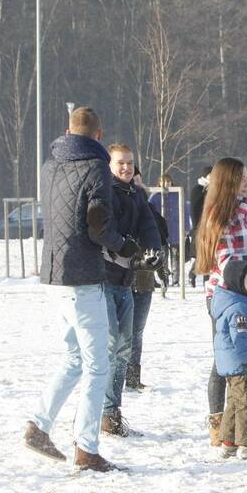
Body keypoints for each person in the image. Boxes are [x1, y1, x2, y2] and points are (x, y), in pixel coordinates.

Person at [25, 106, 134, 472]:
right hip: (84, 276)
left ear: (67, 130)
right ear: (99, 136)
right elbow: (97, 223)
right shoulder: (95, 167)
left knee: (73, 358)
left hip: (54, 274)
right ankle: (86, 448)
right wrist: (123, 245)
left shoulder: (48, 165)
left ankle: (39, 425)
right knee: (96, 364)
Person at [194, 157, 247, 447]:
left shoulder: (245, 210)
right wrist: (246, 278)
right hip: (227, 293)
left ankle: (232, 430)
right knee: (226, 361)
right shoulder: (220, 215)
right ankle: (221, 426)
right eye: (243, 177)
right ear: (230, 180)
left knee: (236, 359)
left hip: (246, 292)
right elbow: (224, 259)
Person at [100, 144, 162, 437]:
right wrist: (123, 245)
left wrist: (152, 248)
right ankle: (103, 412)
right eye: (120, 163)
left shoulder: (136, 194)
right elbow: (102, 229)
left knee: (124, 345)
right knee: (111, 346)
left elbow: (150, 224)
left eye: (130, 163)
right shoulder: (105, 191)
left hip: (126, 278)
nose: (126, 168)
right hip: (104, 278)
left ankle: (112, 412)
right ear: (110, 165)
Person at [211, 258, 247, 460]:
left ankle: (228, 442)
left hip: (234, 365)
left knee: (235, 404)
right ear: (237, 281)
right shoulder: (239, 308)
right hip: (242, 365)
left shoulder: (236, 302)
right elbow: (241, 338)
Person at [128, 169, 167, 391]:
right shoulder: (115, 201)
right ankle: (117, 376)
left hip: (144, 279)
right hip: (121, 277)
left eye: (138, 178)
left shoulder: (147, 206)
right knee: (120, 333)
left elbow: (161, 233)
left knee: (137, 331)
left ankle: (133, 377)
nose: (135, 182)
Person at [148, 172, 191, 286]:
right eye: (163, 181)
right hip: (161, 232)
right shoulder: (155, 196)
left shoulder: (177, 195)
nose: (166, 184)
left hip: (176, 230)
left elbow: (185, 212)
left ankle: (176, 280)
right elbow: (149, 212)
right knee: (163, 256)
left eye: (168, 181)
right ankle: (165, 278)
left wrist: (186, 228)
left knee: (176, 257)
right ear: (159, 183)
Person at [188, 165, 211, 288]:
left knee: (209, 256)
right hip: (200, 228)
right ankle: (193, 274)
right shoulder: (198, 189)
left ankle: (207, 281)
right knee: (200, 255)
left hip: (211, 228)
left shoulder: (214, 189)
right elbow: (194, 209)